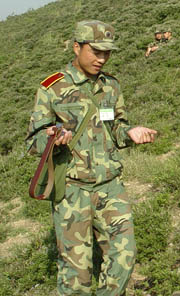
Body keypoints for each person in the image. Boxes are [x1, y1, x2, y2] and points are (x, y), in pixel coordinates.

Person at [26, 20, 157, 295]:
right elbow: (33, 142)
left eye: (107, 52)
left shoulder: (111, 86)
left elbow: (115, 126)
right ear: (77, 47)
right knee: (77, 272)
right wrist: (51, 139)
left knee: (124, 256)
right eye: (96, 51)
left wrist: (129, 132)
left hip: (110, 186)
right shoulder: (52, 88)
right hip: (72, 190)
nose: (102, 58)